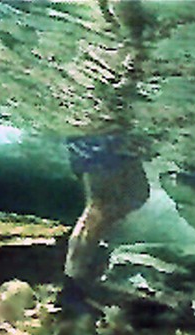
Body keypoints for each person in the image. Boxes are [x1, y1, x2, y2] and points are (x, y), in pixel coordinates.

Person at [59, 1, 152, 288]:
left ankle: (77, 268)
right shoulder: (129, 55)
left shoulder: (115, 54)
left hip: (96, 129)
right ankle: (72, 283)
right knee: (103, 205)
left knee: (131, 195)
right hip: (100, 130)